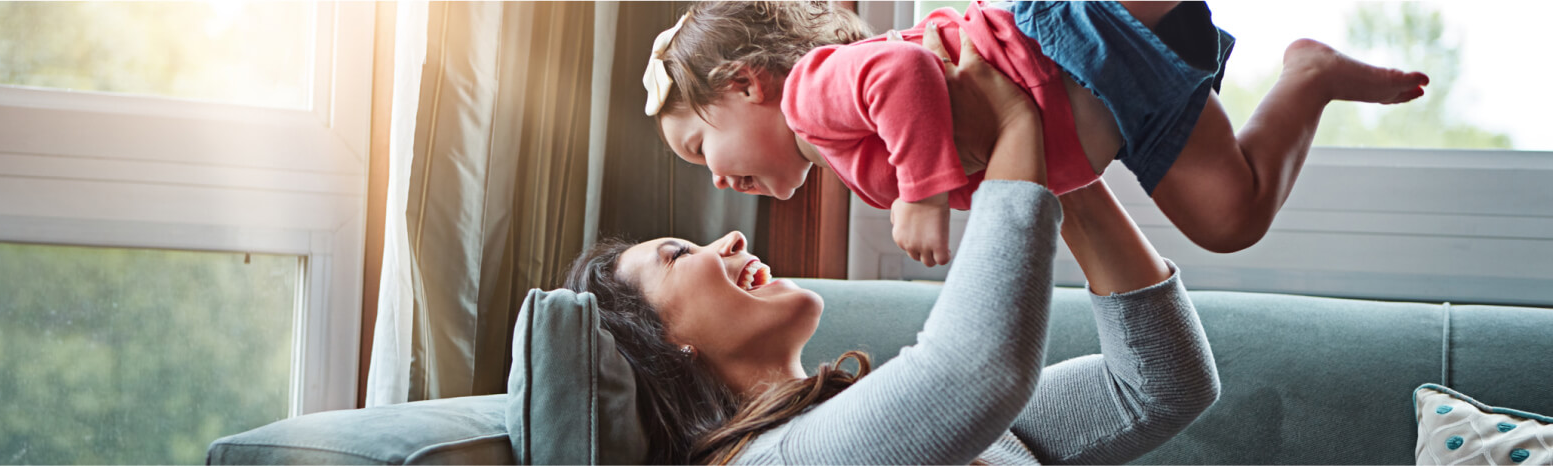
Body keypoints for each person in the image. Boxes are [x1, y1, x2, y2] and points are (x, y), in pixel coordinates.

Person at [565, 30, 1219, 464]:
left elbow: (1155, 390)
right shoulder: (775, 461)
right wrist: (1018, 127)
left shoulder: (867, 422)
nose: (730, 236)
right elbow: (976, 373)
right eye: (677, 255)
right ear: (664, 341)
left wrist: (1053, 159)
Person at [642, 1, 1430, 264]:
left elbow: (902, 78)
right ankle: (1309, 78)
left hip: (1070, 38)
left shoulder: (812, 95)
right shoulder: (849, 161)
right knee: (1231, 219)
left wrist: (918, 195)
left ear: (745, 85)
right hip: (1121, 111)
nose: (714, 180)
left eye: (698, 149)